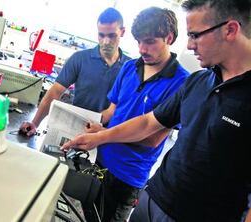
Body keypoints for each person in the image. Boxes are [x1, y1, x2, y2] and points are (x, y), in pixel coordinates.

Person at [62, 0, 251, 221]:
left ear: (230, 30)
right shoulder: (198, 81)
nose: (189, 45)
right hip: (153, 200)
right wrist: (99, 136)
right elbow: (149, 122)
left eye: (195, 35)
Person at [78, 7, 189, 222]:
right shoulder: (129, 67)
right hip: (99, 159)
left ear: (169, 37)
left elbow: (153, 139)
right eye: (138, 41)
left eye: (149, 41)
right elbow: (112, 110)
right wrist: (83, 121)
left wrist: (103, 134)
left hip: (127, 175)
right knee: (89, 215)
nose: (142, 49)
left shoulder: (181, 83)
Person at [19, 7, 130, 136]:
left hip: (108, 136)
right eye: (101, 35)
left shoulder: (129, 68)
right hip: (76, 130)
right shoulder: (80, 59)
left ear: (122, 32)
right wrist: (35, 123)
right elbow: (55, 92)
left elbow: (120, 108)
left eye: (112, 36)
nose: (106, 41)